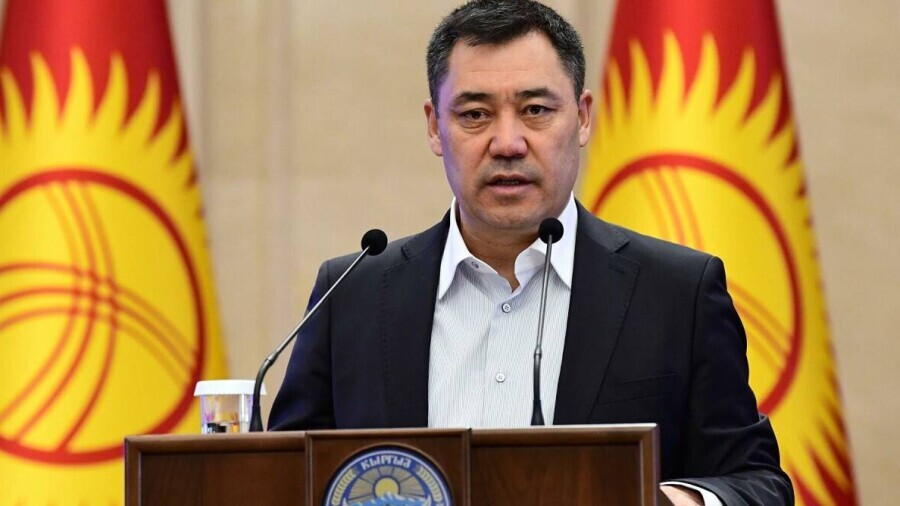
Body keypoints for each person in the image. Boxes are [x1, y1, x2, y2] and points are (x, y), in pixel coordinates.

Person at [269, 1, 792, 504]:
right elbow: (283, 478)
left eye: (536, 110)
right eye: (475, 114)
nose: (507, 143)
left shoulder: (676, 293)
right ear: (434, 127)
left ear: (582, 118)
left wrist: (669, 502)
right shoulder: (352, 294)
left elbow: (757, 483)